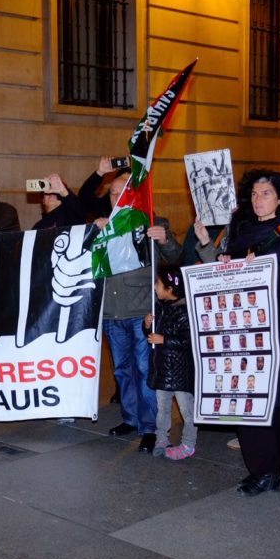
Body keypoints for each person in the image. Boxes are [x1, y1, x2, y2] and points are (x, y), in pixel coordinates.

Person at [220, 170, 280, 496]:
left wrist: (256, 265)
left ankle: (268, 468)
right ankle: (264, 469)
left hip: (278, 329)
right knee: (247, 399)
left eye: (266, 194)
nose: (258, 199)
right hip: (241, 329)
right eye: (255, 193)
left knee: (271, 402)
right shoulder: (243, 230)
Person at [86, 165, 181, 453]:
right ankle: (130, 418)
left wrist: (163, 238)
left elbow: (176, 256)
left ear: (134, 196)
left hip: (141, 312)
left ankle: (150, 427)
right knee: (122, 370)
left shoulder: (151, 221)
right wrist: (93, 233)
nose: (116, 198)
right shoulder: (103, 225)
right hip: (111, 312)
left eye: (121, 193)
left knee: (144, 369)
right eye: (113, 193)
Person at [144, 265, 197, 461]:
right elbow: (152, 336)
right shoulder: (161, 308)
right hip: (164, 370)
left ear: (170, 289)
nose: (154, 287)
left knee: (187, 410)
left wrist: (164, 339)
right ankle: (161, 438)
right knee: (163, 407)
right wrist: (147, 326)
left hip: (180, 372)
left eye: (157, 284)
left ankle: (189, 443)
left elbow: (188, 340)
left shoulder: (185, 312)